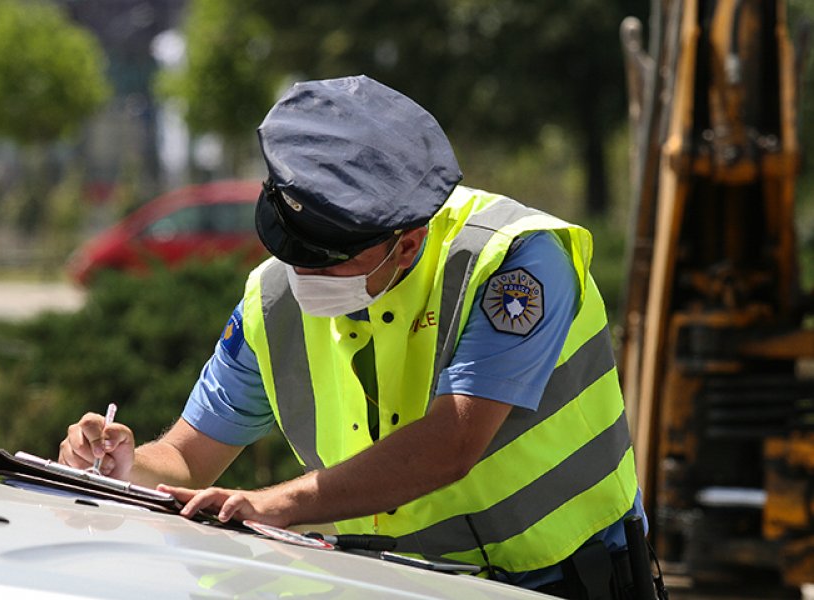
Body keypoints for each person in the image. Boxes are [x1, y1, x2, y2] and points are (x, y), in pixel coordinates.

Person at [59, 75, 647, 597]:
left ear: (408, 242)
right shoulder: (272, 298)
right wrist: (125, 464)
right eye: (290, 252)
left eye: (329, 259)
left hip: (564, 580)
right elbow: (188, 458)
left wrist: (277, 504)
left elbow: (452, 442)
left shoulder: (515, 259)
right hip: (395, 582)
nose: (303, 276)